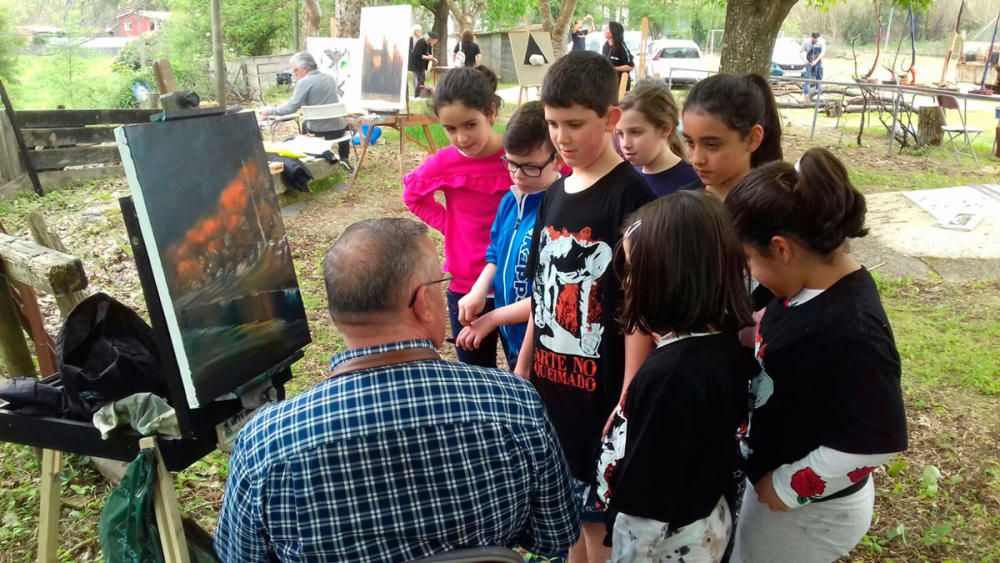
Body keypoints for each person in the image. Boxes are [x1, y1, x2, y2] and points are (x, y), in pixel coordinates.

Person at [215, 218, 581, 562]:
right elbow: (555, 533)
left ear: (334, 308)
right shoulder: (513, 405)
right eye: (441, 283)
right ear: (423, 303)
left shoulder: (266, 444)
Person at [725, 149, 908, 561]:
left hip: (809, 511)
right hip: (777, 486)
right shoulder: (806, 285)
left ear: (782, 249)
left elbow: (875, 442)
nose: (750, 272)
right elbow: (791, 339)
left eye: (749, 259)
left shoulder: (854, 330)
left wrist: (789, 486)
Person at [515, 50, 655, 563]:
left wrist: (627, 400)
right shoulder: (554, 193)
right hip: (554, 388)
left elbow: (640, 310)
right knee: (570, 519)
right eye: (552, 124)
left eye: (574, 124)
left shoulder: (632, 197)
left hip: (604, 395)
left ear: (611, 119)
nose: (560, 137)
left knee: (598, 529)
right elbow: (539, 291)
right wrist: (524, 365)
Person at [596, 191, 758, 562]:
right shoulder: (722, 346)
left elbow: (646, 508)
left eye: (637, 271)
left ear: (671, 278)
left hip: (666, 546)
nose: (627, 283)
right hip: (702, 526)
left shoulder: (670, 376)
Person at [403, 67, 510, 368]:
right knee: (475, 371)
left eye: (470, 124)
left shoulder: (519, 154)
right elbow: (413, 196)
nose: (461, 137)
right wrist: (451, 226)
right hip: (466, 283)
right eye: (450, 129)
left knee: (524, 367)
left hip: (516, 280)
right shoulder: (444, 163)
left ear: (491, 112)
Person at [456, 101, 563, 369]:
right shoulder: (510, 200)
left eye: (530, 167)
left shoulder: (560, 211)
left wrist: (493, 319)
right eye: (511, 163)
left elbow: (549, 294)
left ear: (557, 158)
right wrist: (479, 290)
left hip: (544, 343)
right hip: (511, 330)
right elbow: (495, 253)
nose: (518, 175)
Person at [681, 73, 783, 200]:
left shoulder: (777, 210)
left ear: (752, 139)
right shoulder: (682, 206)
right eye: (690, 142)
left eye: (711, 145)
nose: (696, 159)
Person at [259, 52, 351, 166]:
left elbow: (291, 107)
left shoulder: (304, 82)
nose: (294, 73)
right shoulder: (330, 78)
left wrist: (269, 111)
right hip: (340, 131)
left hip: (319, 132)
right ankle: (344, 158)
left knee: (305, 125)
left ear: (305, 69)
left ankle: (312, 155)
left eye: (296, 70)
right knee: (333, 122)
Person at [617, 80, 699, 196]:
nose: (625, 144)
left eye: (635, 132)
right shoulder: (625, 178)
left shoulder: (693, 184)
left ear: (665, 129)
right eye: (620, 134)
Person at [601, 21, 634, 92]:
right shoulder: (605, 46)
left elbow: (630, 66)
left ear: (613, 31)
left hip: (621, 85)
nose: (604, 30)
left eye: (607, 28)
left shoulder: (621, 47)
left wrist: (613, 68)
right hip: (608, 84)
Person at [409, 31, 439, 97]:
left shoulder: (429, 45)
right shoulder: (421, 42)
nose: (434, 43)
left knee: (422, 79)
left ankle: (419, 95)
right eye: (434, 41)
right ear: (431, 39)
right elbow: (418, 55)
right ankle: (417, 95)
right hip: (417, 63)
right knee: (421, 79)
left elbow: (429, 54)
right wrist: (429, 57)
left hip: (423, 64)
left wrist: (433, 59)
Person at [800, 31, 826, 101]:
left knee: (819, 78)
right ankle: (806, 95)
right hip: (809, 63)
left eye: (816, 39)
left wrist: (816, 61)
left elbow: (822, 53)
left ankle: (818, 94)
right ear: (811, 37)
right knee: (808, 79)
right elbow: (800, 52)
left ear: (819, 38)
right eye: (813, 39)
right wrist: (805, 60)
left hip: (818, 62)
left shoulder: (822, 42)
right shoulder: (806, 42)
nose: (815, 40)